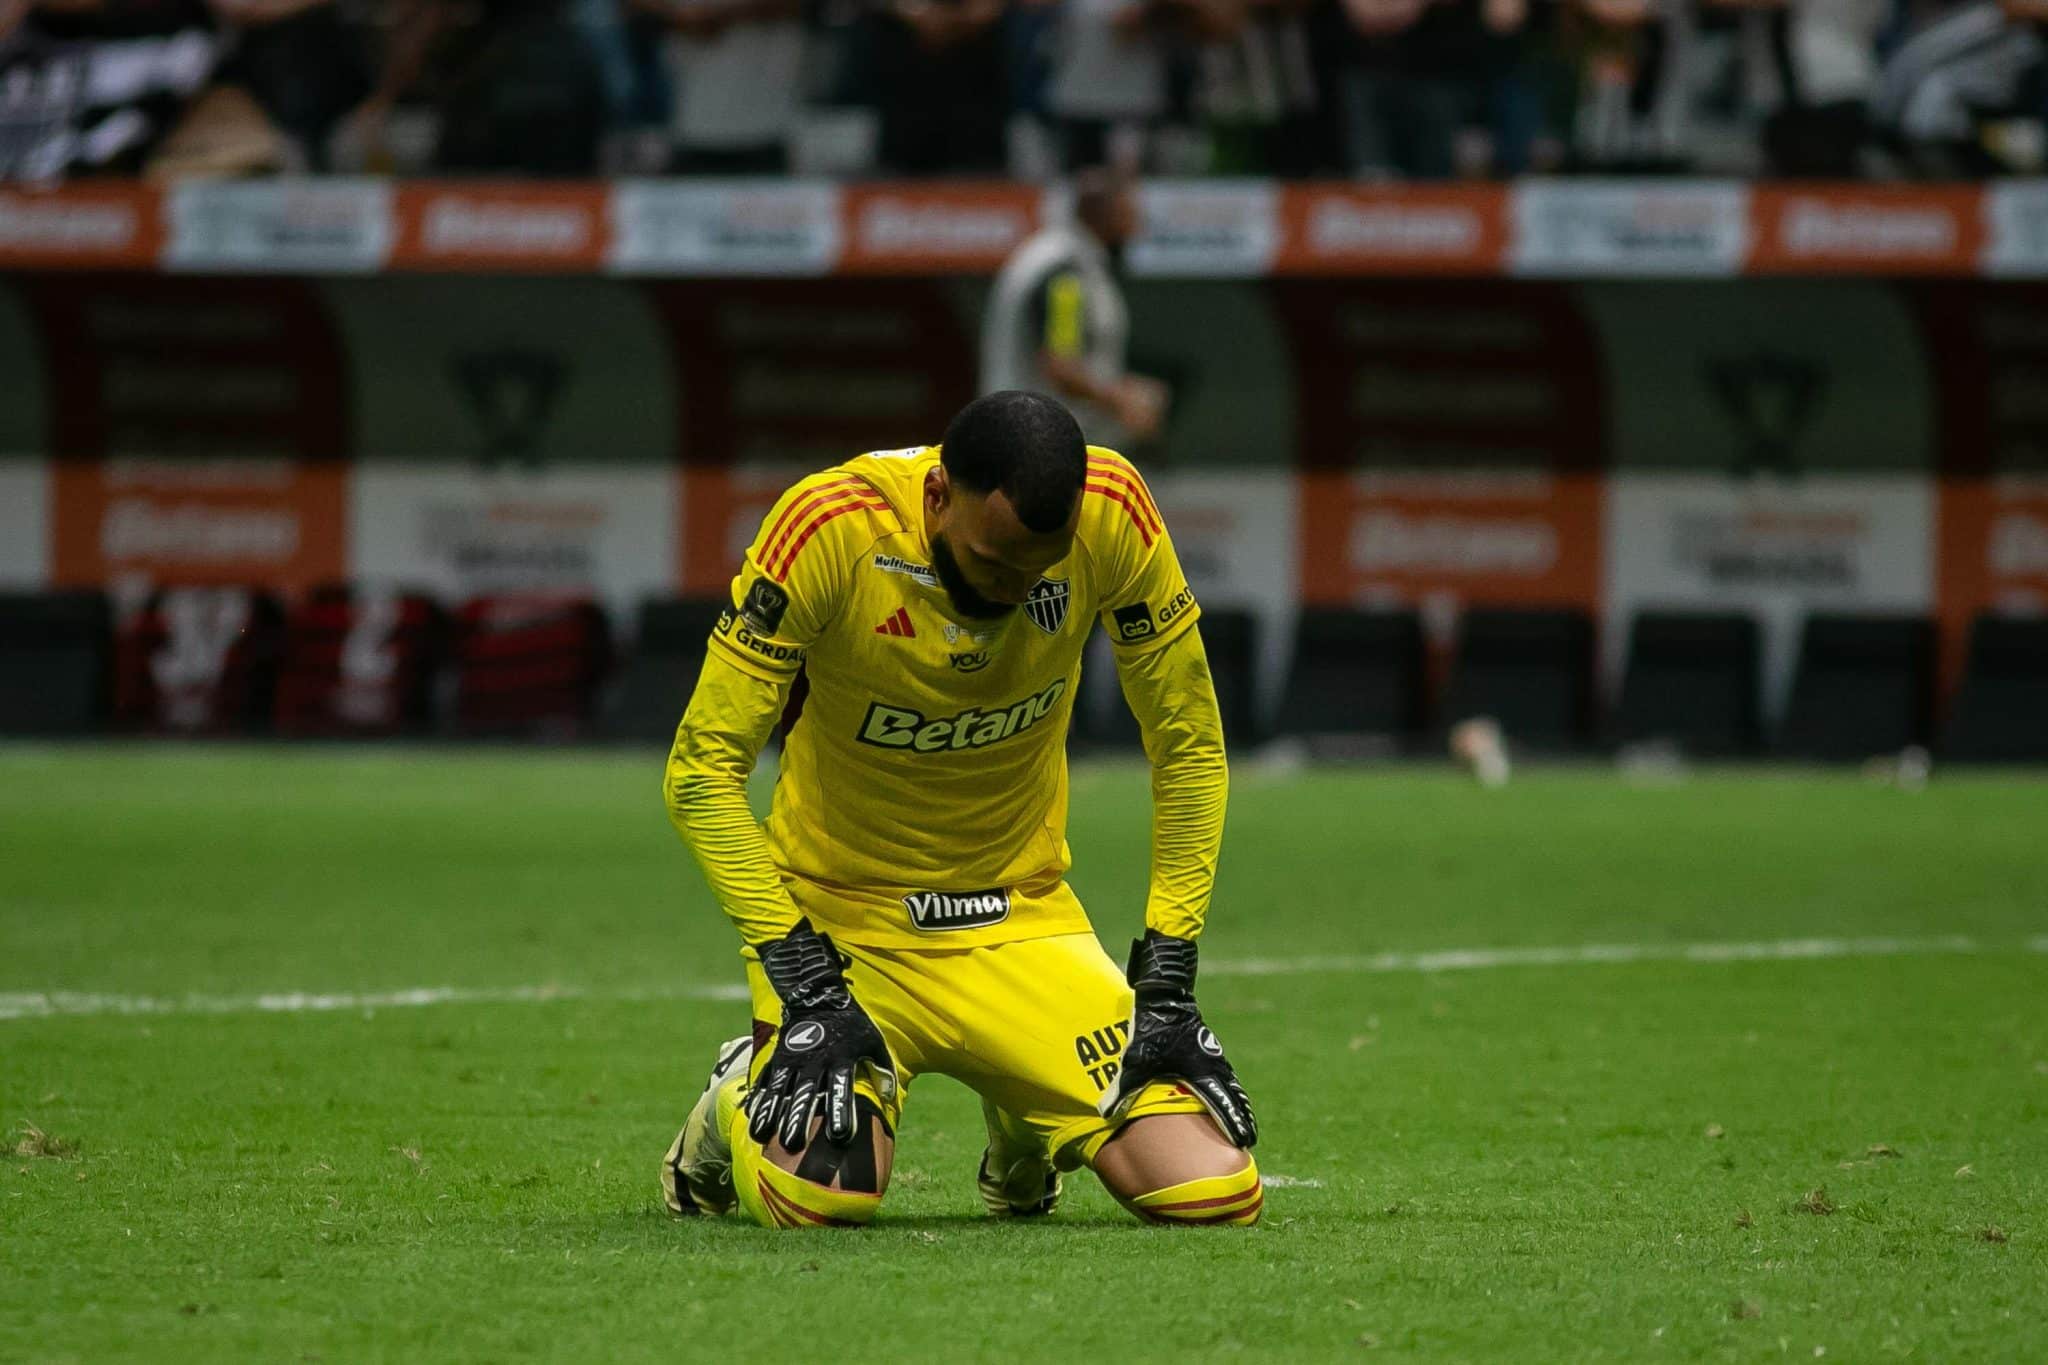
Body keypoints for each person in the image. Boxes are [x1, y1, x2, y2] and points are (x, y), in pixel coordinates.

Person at [659, 391, 1260, 1231]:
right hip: (845, 932)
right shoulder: (829, 526)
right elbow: (700, 772)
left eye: (1036, 574)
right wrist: (803, 980)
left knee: (1215, 1193)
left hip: (1023, 919)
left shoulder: (1115, 512)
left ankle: (1020, 1118)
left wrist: (1166, 980)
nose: (1014, 595)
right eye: (992, 563)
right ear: (938, 496)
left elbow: (1189, 746)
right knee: (816, 1199)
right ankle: (734, 1098)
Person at [980, 166, 1169, 454]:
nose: (1138, 221)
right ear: (1105, 213)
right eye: (1130, 209)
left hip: (1026, 432)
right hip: (1031, 445)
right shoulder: (1064, 271)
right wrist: (1122, 399)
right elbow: (1060, 364)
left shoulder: (1060, 256)